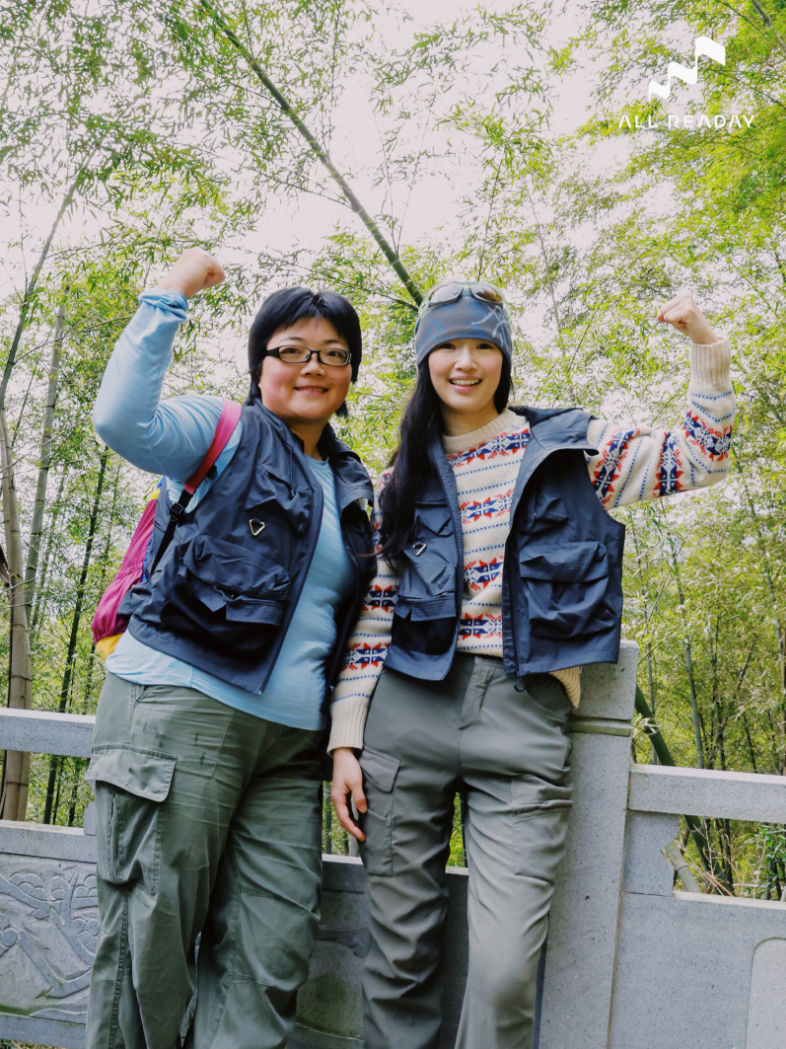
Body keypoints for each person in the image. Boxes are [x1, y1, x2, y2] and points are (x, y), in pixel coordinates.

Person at [329, 281, 734, 1049]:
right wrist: (346, 735)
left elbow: (699, 459)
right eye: (448, 346)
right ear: (424, 360)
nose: (465, 361)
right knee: (398, 958)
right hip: (404, 715)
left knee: (505, 970)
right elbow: (376, 610)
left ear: (505, 357)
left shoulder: (570, 450)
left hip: (523, 718)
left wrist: (702, 339)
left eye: (483, 345)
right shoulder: (400, 476)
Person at [86, 248, 375, 1049]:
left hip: (290, 747)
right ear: (260, 364)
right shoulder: (222, 430)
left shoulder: (353, 485)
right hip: (180, 712)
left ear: (352, 374)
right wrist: (170, 293)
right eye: (292, 349)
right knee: (149, 944)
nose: (312, 366)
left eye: (333, 353)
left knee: (270, 950)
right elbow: (121, 420)